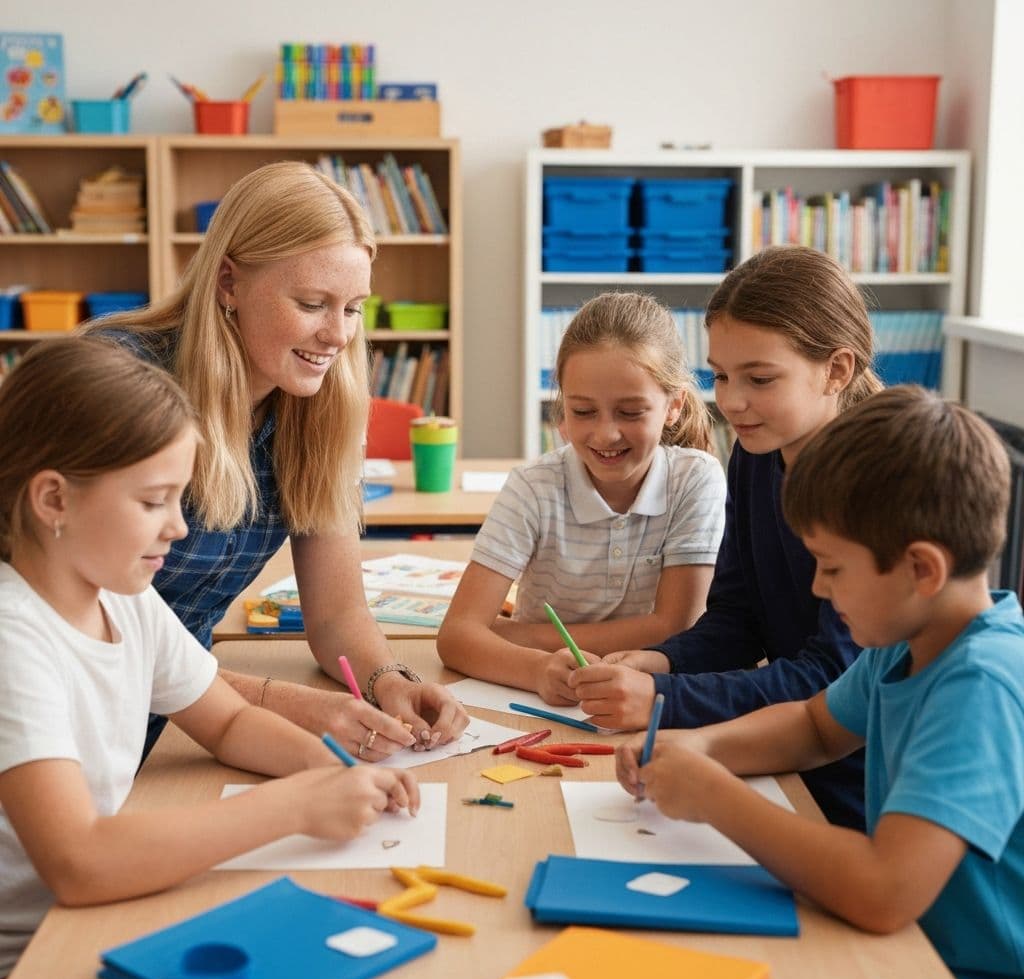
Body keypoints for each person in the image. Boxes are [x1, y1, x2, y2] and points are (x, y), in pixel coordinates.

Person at [0, 339, 420, 979]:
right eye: (152, 501)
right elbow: (80, 862)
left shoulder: (123, 599)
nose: (177, 527)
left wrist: (330, 771)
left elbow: (226, 722)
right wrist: (297, 806)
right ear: (54, 500)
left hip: (93, 917)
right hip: (31, 961)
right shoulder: (14, 635)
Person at [617, 386, 1024, 979]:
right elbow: (814, 727)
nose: (816, 586)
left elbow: (884, 890)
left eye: (832, 567)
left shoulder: (980, 683)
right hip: (901, 954)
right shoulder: (910, 638)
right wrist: (703, 747)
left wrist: (715, 795)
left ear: (922, 569)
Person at [82, 161, 468, 762]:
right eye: (313, 303)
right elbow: (82, 626)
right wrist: (275, 703)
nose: (338, 336)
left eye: (354, 307)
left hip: (183, 721)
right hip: (76, 707)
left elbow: (338, 613)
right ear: (229, 283)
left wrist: (390, 680)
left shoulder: (317, 404)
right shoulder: (116, 381)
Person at [571, 247, 884, 829]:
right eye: (720, 375)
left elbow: (833, 676)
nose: (732, 401)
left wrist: (666, 700)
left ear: (837, 370)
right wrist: (660, 662)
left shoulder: (874, 483)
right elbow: (736, 618)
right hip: (776, 752)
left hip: (855, 782)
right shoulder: (756, 453)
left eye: (760, 378)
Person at [437, 291, 726, 702]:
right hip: (543, 698)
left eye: (630, 412)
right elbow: (456, 637)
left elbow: (678, 627)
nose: (606, 434)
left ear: (673, 407)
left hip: (647, 698)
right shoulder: (534, 487)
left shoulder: (696, 479)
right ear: (562, 411)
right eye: (584, 412)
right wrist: (538, 668)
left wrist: (525, 637)